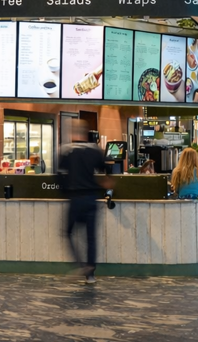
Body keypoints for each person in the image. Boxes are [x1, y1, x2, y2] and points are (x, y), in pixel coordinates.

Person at [59, 121, 112, 283]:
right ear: (86, 133)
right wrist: (104, 184)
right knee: (91, 237)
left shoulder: (66, 150)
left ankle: (81, 264)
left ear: (73, 133)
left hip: (75, 199)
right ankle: (90, 274)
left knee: (67, 233)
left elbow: (59, 176)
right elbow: (106, 170)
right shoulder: (95, 150)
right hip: (91, 198)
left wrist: (65, 191)